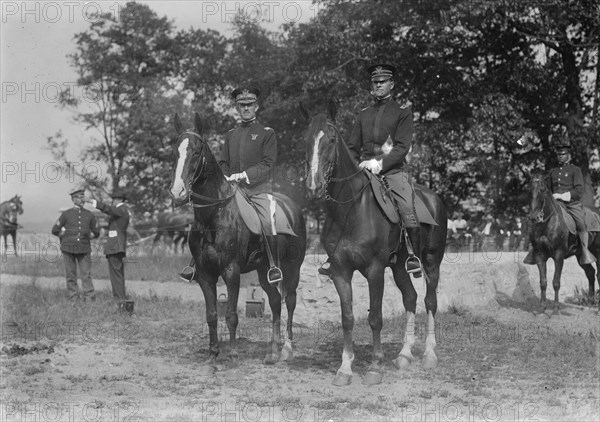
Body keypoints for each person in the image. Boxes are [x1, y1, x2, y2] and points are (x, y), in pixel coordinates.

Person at [320, 63, 423, 278]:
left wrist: (380, 163)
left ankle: (413, 254)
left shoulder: (402, 113)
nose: (378, 85)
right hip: (364, 170)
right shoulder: (364, 114)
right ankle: (335, 255)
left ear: (391, 84)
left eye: (382, 82)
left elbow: (402, 147)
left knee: (406, 206)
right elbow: (351, 147)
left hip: (393, 171)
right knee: (341, 201)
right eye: (375, 82)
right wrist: (356, 164)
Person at [179, 84, 282, 284]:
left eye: (249, 104)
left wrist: (244, 175)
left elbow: (268, 164)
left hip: (256, 190)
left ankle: (272, 265)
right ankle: (194, 263)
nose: (246, 108)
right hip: (232, 191)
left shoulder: (266, 133)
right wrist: (225, 177)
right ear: (237, 107)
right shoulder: (231, 134)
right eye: (241, 105)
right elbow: (224, 163)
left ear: (256, 106)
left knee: (268, 220)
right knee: (208, 221)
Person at [524, 142, 596, 265]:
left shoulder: (575, 170)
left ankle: (584, 250)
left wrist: (563, 196)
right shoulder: (553, 172)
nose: (561, 157)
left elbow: (579, 191)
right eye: (559, 155)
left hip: (572, 204)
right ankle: (535, 249)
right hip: (555, 204)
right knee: (536, 221)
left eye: (563, 154)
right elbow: (547, 189)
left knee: (580, 223)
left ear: (569, 155)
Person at [87, 188, 132, 309]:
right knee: (117, 274)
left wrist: (95, 203)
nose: (112, 201)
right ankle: (120, 300)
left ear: (119, 199)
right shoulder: (122, 210)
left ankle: (120, 301)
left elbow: (109, 209)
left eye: (114, 199)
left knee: (116, 275)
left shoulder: (121, 209)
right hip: (116, 246)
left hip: (115, 246)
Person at [52, 189, 100, 301]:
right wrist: (63, 236)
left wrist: (89, 236)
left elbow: (97, 231)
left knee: (86, 275)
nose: (82, 199)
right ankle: (73, 297)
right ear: (73, 199)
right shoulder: (66, 214)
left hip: (84, 249)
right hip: (68, 248)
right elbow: (55, 229)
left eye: (83, 197)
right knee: (71, 275)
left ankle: (89, 298)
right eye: (79, 197)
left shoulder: (89, 215)